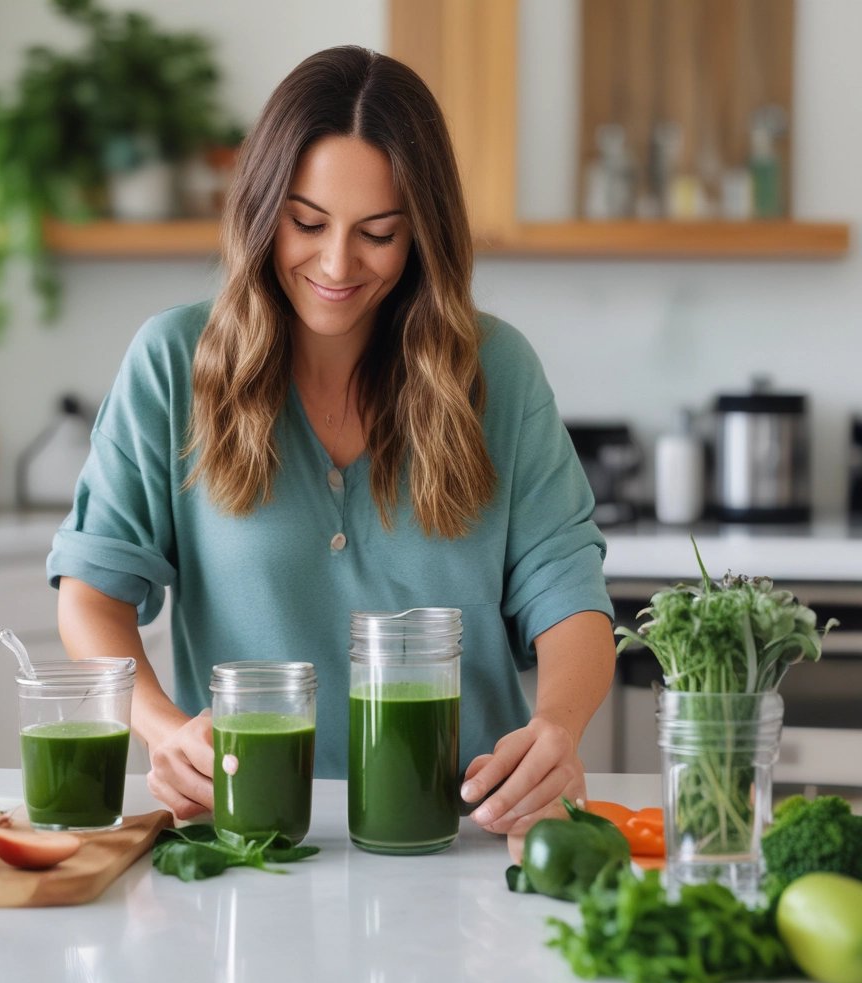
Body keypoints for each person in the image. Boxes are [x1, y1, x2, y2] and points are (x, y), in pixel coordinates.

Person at [48, 44, 616, 839]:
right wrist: (165, 728)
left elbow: (571, 598)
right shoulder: (173, 362)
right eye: (306, 222)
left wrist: (557, 728)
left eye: (378, 233)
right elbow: (93, 594)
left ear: (423, 234)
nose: (337, 263)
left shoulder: (497, 371)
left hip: (467, 836)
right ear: (261, 206)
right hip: (258, 833)